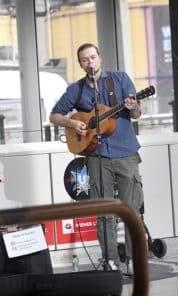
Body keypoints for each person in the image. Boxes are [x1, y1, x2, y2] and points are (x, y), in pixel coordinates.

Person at [49, 43, 144, 272]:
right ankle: (110, 260)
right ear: (81, 63)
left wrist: (132, 108)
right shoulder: (77, 89)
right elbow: (54, 115)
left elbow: (137, 113)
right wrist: (73, 123)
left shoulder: (120, 80)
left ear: (100, 58)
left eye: (93, 57)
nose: (90, 62)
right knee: (104, 212)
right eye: (85, 59)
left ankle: (133, 261)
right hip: (96, 155)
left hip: (126, 153)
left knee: (131, 211)